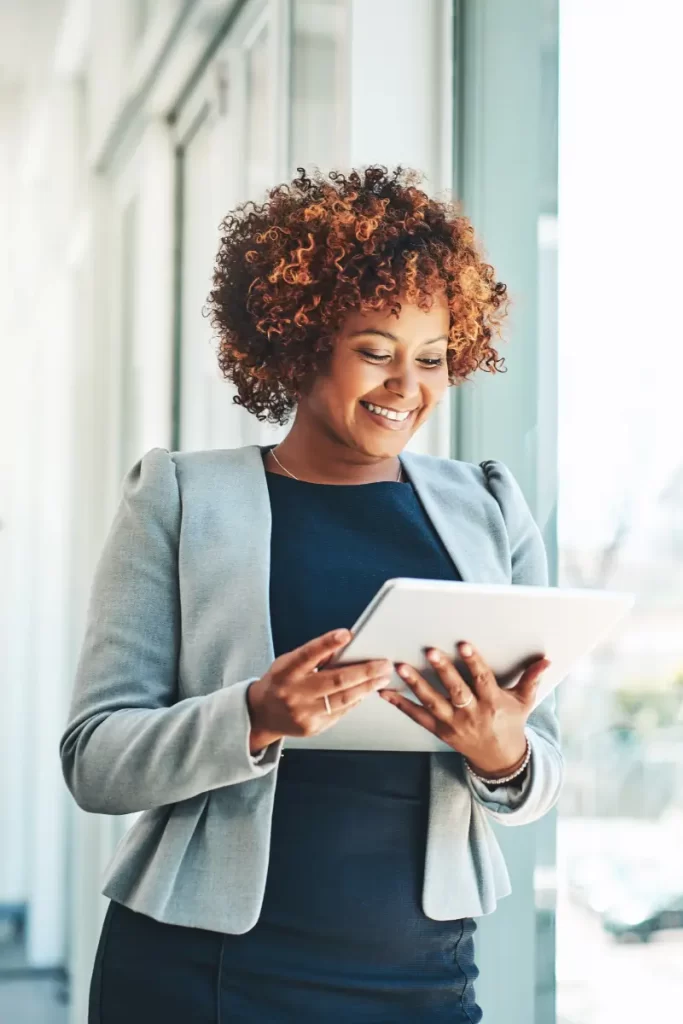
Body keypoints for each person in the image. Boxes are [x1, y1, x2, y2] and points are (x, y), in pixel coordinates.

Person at [61, 166, 563, 1024]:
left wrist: (503, 753)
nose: (409, 386)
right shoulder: (180, 499)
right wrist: (252, 715)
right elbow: (96, 759)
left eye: (434, 358)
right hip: (204, 974)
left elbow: (541, 766)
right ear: (299, 343)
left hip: (421, 978)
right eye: (375, 351)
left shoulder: (489, 507)